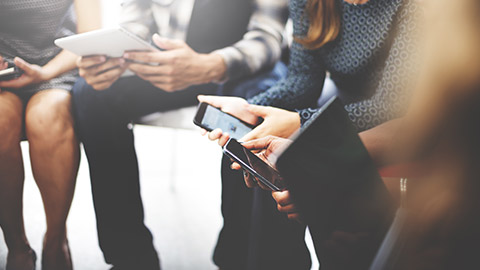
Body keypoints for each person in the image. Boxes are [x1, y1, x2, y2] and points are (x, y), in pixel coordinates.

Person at [199, 0, 420, 268]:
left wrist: (301, 122)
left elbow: (391, 108)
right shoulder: (308, 2)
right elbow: (303, 80)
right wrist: (252, 109)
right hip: (340, 109)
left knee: (292, 163)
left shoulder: (413, 6)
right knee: (253, 155)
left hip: (401, 118)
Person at [72, 0, 288, 269]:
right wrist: (115, 58)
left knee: (260, 106)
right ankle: (131, 256)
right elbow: (135, 23)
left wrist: (211, 64)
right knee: (90, 94)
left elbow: (267, 37)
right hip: (163, 67)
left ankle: (238, 257)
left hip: (238, 66)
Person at [0, 1, 100, 270]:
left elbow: (90, 37)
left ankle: (56, 241)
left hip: (57, 64)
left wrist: (44, 73)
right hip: (3, 70)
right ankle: (17, 247)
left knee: (48, 117)